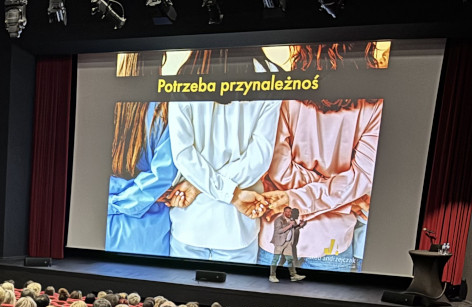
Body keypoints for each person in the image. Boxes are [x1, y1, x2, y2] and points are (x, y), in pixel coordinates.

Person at [260, 43, 383, 272]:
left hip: (279, 235)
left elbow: (279, 171)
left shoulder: (285, 90)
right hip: (332, 241)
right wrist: (340, 194)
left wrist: (293, 197)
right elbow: (359, 180)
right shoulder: (374, 104)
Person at [165, 49, 280, 262]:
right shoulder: (270, 75)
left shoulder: (183, 76)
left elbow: (183, 154)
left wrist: (198, 186)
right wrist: (232, 194)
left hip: (190, 223)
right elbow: (259, 158)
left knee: (181, 295)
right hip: (237, 229)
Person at [108, 54, 176, 256]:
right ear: (160, 61)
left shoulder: (102, 103)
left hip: (102, 229)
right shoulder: (166, 110)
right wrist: (144, 194)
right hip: (148, 237)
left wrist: (113, 200)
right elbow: (163, 178)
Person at [267, 207, 306, 283]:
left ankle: (293, 275)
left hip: (288, 243)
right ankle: (272, 276)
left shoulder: (292, 220)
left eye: (290, 212)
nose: (289, 213)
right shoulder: (279, 220)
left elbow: (293, 228)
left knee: (290, 260)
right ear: (284, 212)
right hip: (280, 242)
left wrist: (300, 225)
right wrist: (289, 225)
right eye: (287, 212)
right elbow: (278, 231)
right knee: (275, 259)